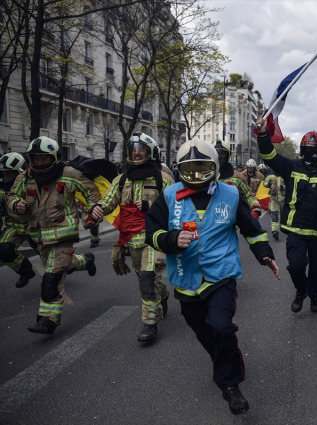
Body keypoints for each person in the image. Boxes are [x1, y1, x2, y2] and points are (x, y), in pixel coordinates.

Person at [145, 137, 280, 415]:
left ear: (215, 166)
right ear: (180, 169)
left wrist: (265, 253)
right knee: (203, 331)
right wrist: (170, 239)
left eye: (201, 167)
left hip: (221, 274)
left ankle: (231, 387)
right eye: (189, 168)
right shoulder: (168, 196)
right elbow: (151, 232)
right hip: (185, 278)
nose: (195, 174)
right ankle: (223, 360)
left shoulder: (230, 194)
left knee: (221, 326)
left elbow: (251, 228)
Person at [8, 137, 99, 334]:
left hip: (63, 236)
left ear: (55, 158)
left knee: (52, 276)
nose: (39, 162)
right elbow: (11, 197)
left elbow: (92, 193)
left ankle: (48, 320)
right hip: (38, 236)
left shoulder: (70, 174)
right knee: (62, 266)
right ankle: (85, 261)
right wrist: (16, 204)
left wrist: (93, 213)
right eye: (36, 159)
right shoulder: (23, 178)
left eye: (44, 159)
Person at [91, 132, 174, 342]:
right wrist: (98, 208)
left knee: (147, 277)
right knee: (145, 277)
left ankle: (150, 323)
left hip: (156, 237)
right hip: (132, 239)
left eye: (141, 149)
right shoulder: (121, 180)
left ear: (150, 152)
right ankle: (163, 294)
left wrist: (150, 207)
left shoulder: (163, 178)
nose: (136, 153)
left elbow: (175, 207)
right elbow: (108, 200)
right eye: (133, 150)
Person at [257, 117, 317, 313]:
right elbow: (269, 156)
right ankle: (301, 291)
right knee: (295, 266)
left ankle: (314, 295)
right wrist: (263, 134)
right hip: (295, 230)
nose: (313, 154)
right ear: (303, 151)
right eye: (309, 150)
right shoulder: (292, 167)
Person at [0, 153, 37, 288]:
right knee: (3, 249)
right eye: (4, 172)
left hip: (35, 227)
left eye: (10, 172)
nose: (6, 175)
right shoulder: (1, 188)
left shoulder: (32, 184)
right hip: (14, 227)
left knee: (56, 261)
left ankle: (83, 261)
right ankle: (26, 271)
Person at [215, 140, 261, 220]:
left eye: (222, 154)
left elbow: (248, 194)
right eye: (216, 153)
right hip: (210, 220)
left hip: (230, 220)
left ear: (227, 155)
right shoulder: (205, 175)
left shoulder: (237, 176)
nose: (219, 157)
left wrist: (255, 209)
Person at [263, 171, 286, 240]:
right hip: (274, 199)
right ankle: (275, 231)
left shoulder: (285, 175)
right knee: (275, 215)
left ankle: (283, 227)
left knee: (283, 215)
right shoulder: (270, 176)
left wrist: (283, 187)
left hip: (284, 200)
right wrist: (270, 185)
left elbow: (291, 184)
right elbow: (265, 183)